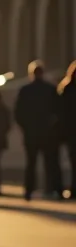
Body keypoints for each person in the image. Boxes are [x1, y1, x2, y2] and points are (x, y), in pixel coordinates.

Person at [13, 60, 61, 200]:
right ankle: (53, 188)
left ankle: (29, 189)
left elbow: (18, 112)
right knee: (50, 162)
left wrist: (25, 127)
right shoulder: (50, 89)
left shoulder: (25, 90)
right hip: (48, 133)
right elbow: (58, 111)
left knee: (31, 163)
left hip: (31, 133)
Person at [58, 60, 76, 197]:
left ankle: (73, 188)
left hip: (70, 131)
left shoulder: (66, 89)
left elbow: (60, 113)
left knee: (73, 161)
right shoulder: (66, 89)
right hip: (71, 131)